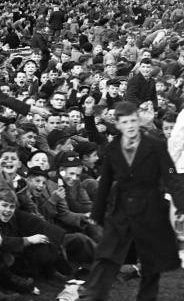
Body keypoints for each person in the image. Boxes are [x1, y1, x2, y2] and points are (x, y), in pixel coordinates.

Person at [79, 101, 184, 301]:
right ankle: (93, 296)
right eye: (125, 122)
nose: (130, 126)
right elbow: (105, 183)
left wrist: (181, 203)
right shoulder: (112, 149)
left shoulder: (156, 146)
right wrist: (97, 214)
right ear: (118, 124)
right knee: (107, 255)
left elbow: (170, 173)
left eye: (133, 120)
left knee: (151, 260)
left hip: (151, 207)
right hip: (121, 208)